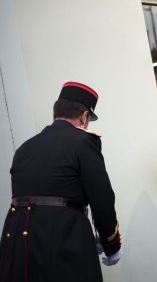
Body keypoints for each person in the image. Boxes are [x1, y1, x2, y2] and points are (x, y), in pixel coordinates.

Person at [0, 82, 121, 282]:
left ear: (54, 114)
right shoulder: (84, 141)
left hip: (18, 248)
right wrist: (111, 245)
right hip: (63, 246)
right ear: (84, 117)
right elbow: (102, 199)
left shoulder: (24, 149)